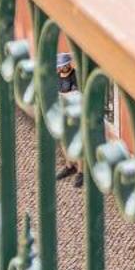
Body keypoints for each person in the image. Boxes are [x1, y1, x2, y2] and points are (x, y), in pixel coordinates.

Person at [56, 53, 81, 181]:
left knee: (76, 140)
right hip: (62, 111)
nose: (59, 69)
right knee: (64, 139)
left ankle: (81, 171)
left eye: (61, 66)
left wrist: (63, 95)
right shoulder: (58, 76)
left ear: (67, 65)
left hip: (74, 111)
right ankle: (69, 165)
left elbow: (76, 93)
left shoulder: (75, 75)